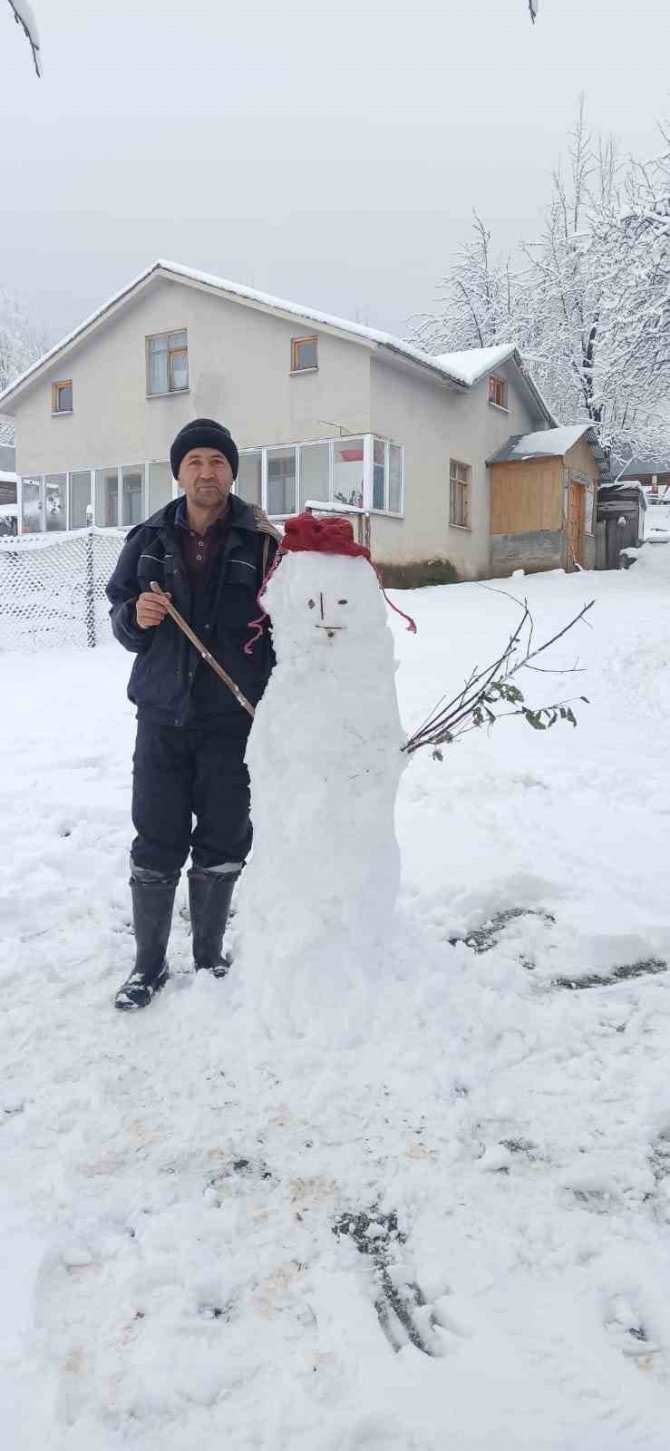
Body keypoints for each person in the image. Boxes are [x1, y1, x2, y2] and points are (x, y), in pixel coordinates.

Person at [106, 418, 279, 1011]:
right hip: (162, 715)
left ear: (232, 470)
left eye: (218, 461)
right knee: (155, 838)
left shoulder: (263, 543)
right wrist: (137, 617)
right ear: (179, 471)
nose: (207, 472)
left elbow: (290, 631)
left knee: (226, 835)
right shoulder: (148, 538)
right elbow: (121, 616)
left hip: (233, 720)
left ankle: (209, 957)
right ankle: (148, 965)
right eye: (195, 461)